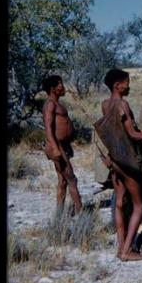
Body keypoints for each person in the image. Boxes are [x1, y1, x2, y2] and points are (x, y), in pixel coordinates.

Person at [95, 69, 142, 262]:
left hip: (115, 160)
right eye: (126, 83)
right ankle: (127, 251)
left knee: (120, 203)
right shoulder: (123, 105)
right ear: (117, 85)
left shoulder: (105, 105)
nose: (128, 86)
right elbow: (134, 135)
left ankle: (121, 247)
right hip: (128, 160)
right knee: (138, 204)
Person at [42, 75, 83, 214]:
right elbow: (48, 127)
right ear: (53, 89)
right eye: (60, 84)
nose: (63, 87)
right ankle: (80, 213)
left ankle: (59, 214)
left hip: (63, 145)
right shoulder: (50, 104)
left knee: (63, 181)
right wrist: (55, 148)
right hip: (56, 146)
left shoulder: (57, 103)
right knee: (71, 179)